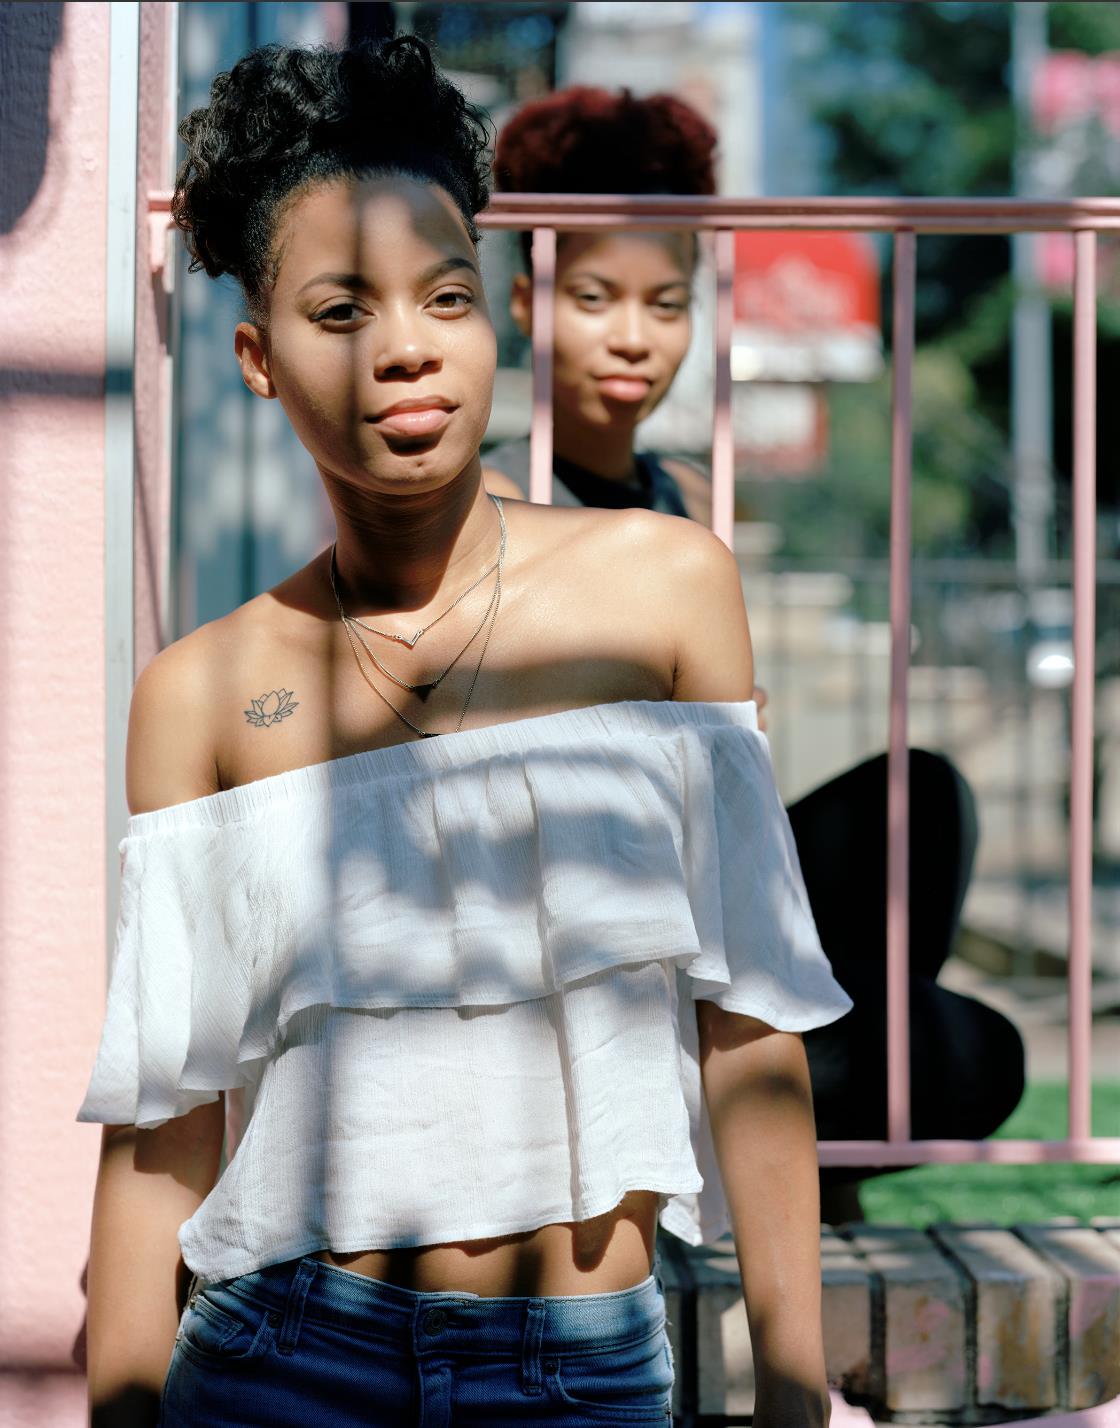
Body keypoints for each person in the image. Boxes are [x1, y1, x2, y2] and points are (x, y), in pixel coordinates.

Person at [77, 36, 854, 1428]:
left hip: (580, 1369)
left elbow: (754, 1030)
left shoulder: (665, 587)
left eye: (446, 295)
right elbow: (162, 1136)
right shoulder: (201, 692)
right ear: (256, 357)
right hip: (278, 1362)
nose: (406, 348)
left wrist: (792, 1392)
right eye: (339, 310)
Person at [484, 86, 1026, 1222]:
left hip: (704, 899)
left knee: (919, 809)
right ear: (528, 302)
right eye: (593, 297)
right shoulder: (494, 490)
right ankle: (762, 1141)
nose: (634, 335)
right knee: (934, 1058)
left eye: (664, 301)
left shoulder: (682, 496)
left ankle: (792, 1133)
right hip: (580, 942)